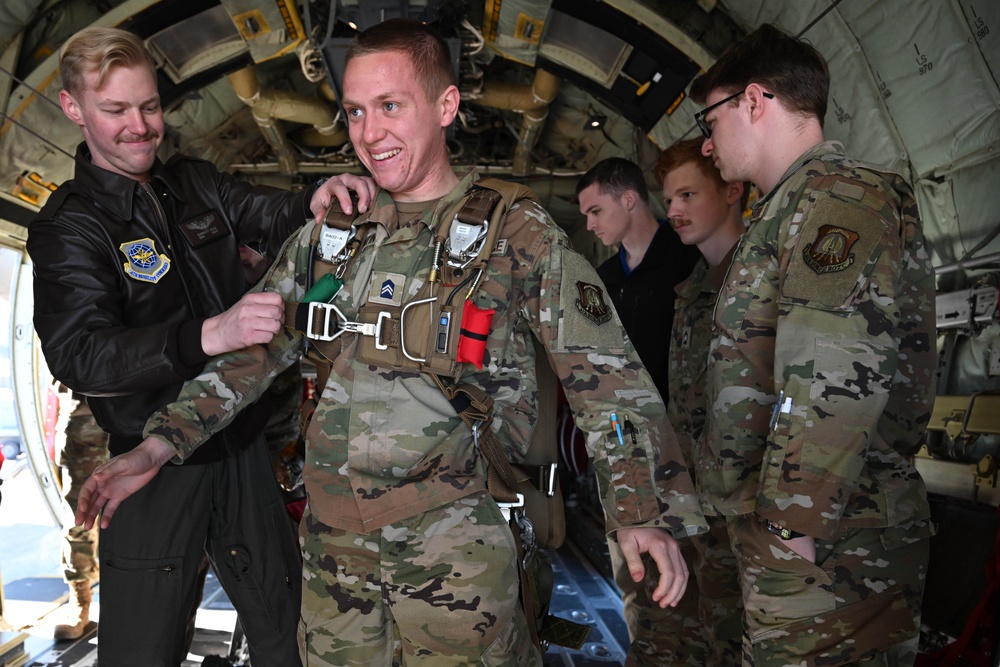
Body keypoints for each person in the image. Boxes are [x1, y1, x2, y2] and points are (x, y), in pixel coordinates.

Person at [75, 18, 708, 666]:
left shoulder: (515, 231)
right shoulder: (333, 238)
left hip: (457, 561)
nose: (368, 133)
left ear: (445, 106)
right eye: (354, 111)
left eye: (389, 106)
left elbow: (608, 378)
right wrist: (158, 444)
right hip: (334, 568)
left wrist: (640, 508)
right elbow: (254, 354)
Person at [26, 26, 370, 667]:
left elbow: (273, 212)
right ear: (74, 110)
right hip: (153, 468)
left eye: (149, 106)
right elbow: (81, 355)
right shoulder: (71, 225)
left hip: (240, 451)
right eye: (116, 110)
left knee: (292, 640)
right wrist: (213, 333)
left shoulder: (196, 184)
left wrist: (314, 199)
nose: (140, 127)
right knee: (141, 653)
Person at [690, 23, 936, 666]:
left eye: (707, 119)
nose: (705, 141)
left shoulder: (838, 199)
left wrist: (789, 530)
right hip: (793, 534)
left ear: (753, 100)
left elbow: (830, 374)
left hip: (830, 545)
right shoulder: (783, 209)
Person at [575, 157, 701, 666]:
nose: (589, 223)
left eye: (595, 209)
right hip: (623, 450)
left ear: (629, 198)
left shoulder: (687, 261)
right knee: (637, 580)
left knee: (695, 582)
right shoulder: (601, 280)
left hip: (686, 450)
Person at [660, 137, 750, 666]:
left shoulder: (763, 280)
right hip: (702, 507)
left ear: (732, 192)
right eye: (668, 198)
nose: (673, 210)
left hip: (751, 512)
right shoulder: (692, 290)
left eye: (688, 195)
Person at [51, 386, 106, 641]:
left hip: (143, 414)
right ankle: (80, 602)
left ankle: (135, 603)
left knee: (142, 514)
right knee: (79, 516)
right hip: (85, 418)